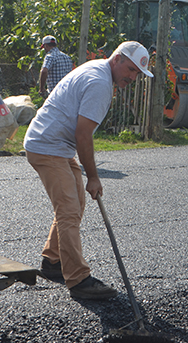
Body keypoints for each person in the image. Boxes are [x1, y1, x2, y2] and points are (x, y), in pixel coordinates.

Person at [24, 41, 153, 300]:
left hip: (57, 145)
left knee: (75, 203)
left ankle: (52, 261)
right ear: (116, 59)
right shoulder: (100, 84)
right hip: (48, 146)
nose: (132, 77)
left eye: (137, 73)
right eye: (130, 69)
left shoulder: (99, 71)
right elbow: (83, 136)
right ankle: (79, 279)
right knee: (69, 210)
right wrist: (93, 176)